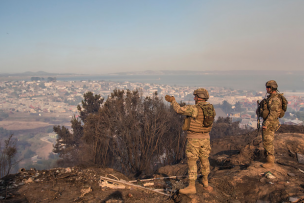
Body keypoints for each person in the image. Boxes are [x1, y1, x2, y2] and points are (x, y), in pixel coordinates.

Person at [165, 88, 216, 194]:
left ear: (199, 97)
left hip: (194, 139)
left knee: (192, 162)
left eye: (195, 96)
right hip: (206, 138)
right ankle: (205, 181)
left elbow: (178, 110)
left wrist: (173, 101)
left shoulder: (194, 109)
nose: (194, 98)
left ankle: (191, 187)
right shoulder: (211, 108)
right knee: (204, 160)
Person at [260, 80, 282, 168]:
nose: (266, 89)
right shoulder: (270, 98)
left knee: (268, 141)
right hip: (269, 122)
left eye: (268, 87)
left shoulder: (275, 99)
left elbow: (273, 113)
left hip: (270, 123)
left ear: (272, 88)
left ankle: (270, 161)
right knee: (266, 140)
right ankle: (267, 158)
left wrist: (266, 123)